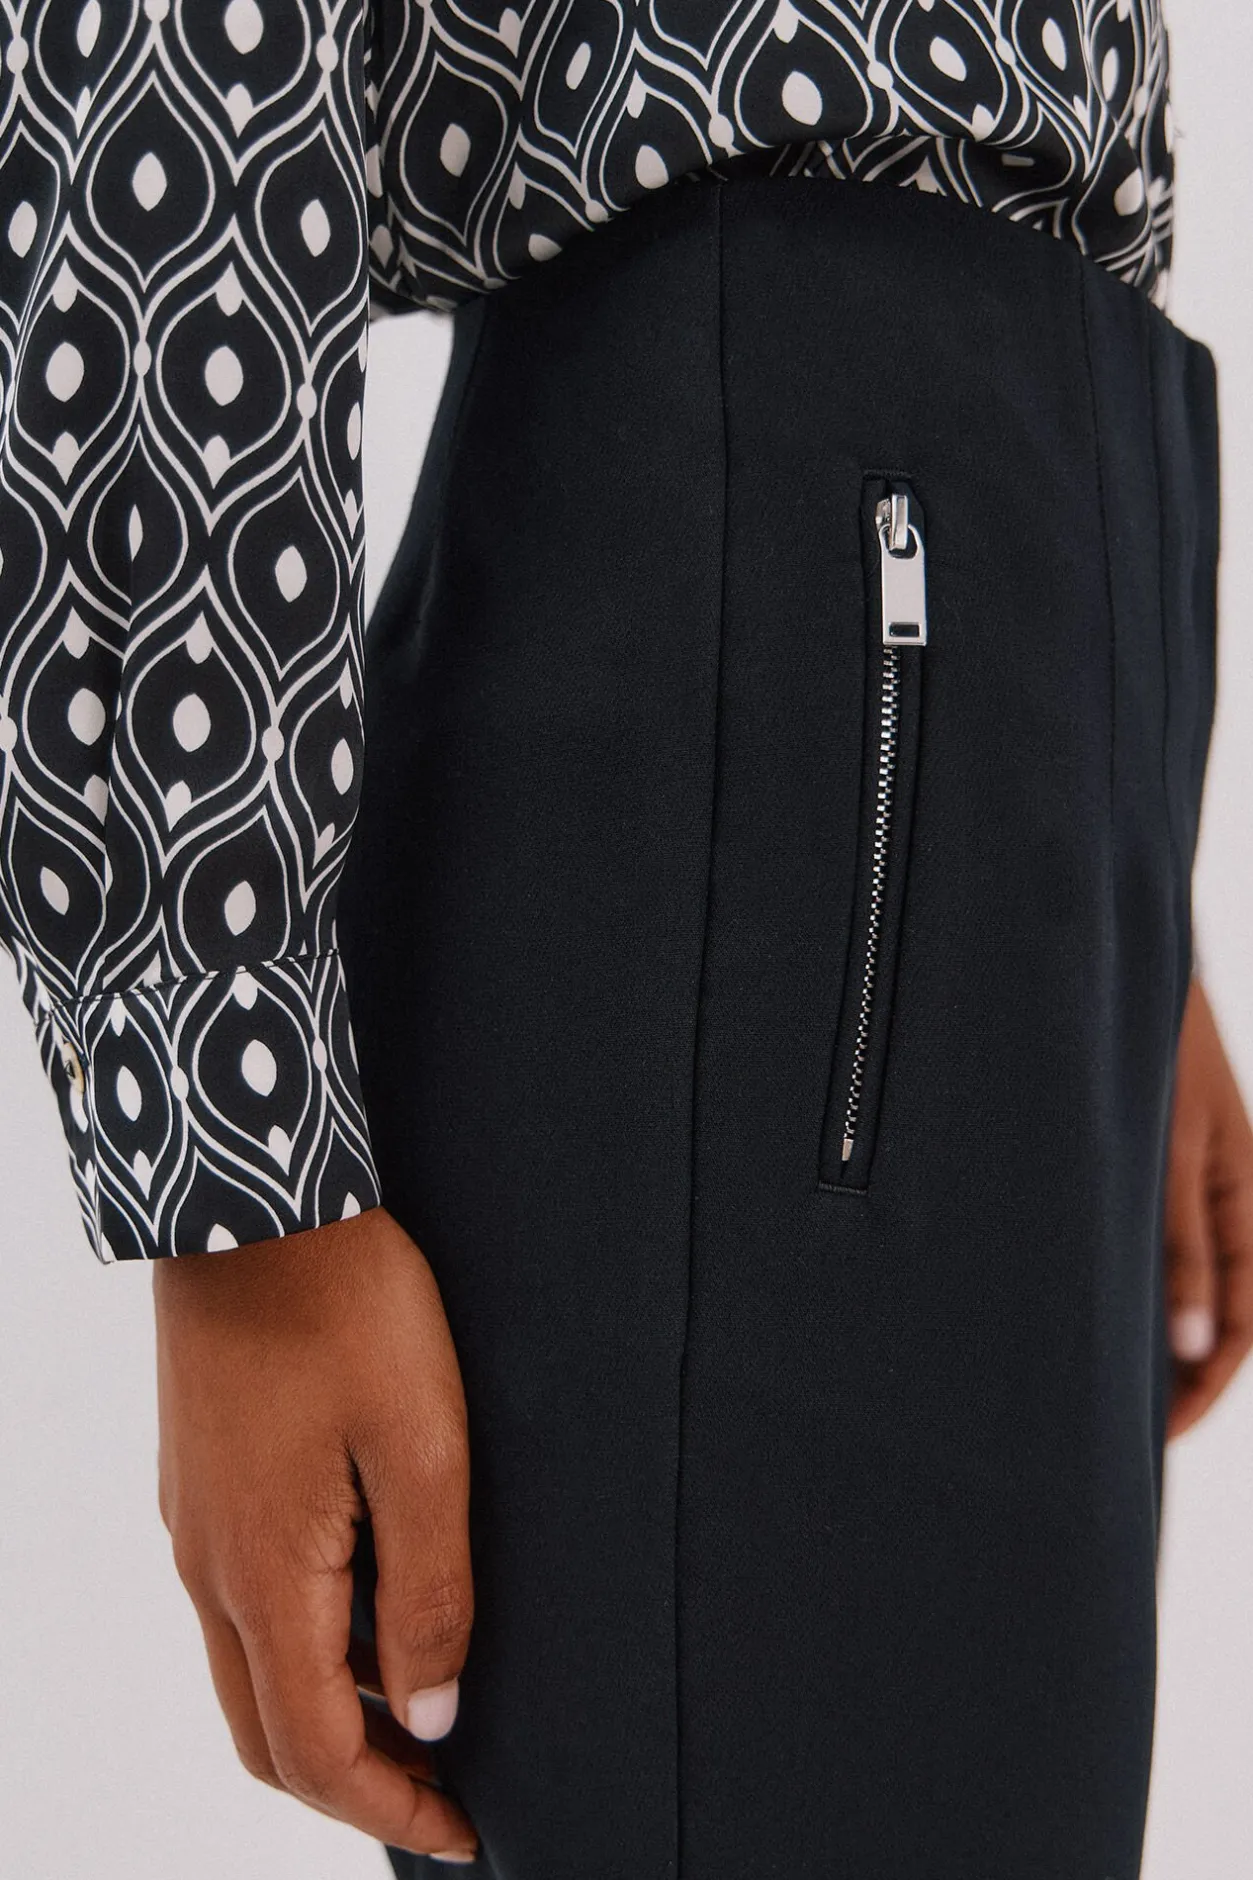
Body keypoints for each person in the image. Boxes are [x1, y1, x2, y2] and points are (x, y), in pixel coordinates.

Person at [1, 2, 1250, 1875]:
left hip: (1018, 624)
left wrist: (1128, 927)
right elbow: (158, 86)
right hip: (771, 627)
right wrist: (231, 1141)